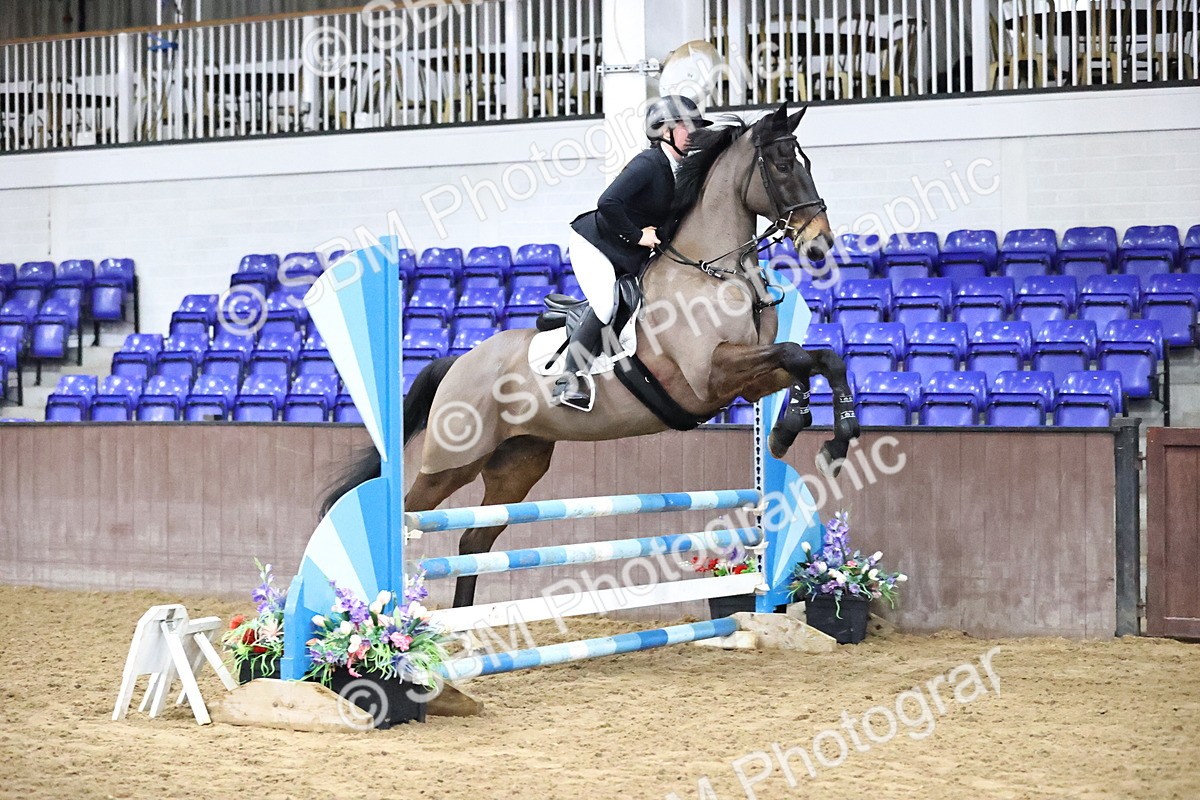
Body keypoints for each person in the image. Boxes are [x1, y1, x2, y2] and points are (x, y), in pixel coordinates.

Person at [554, 95, 713, 409]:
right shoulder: (648, 163)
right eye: (686, 127)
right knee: (605, 305)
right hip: (595, 246)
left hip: (627, 254)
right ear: (664, 130)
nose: (693, 135)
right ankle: (567, 380)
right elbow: (608, 203)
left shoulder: (681, 172)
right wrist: (638, 235)